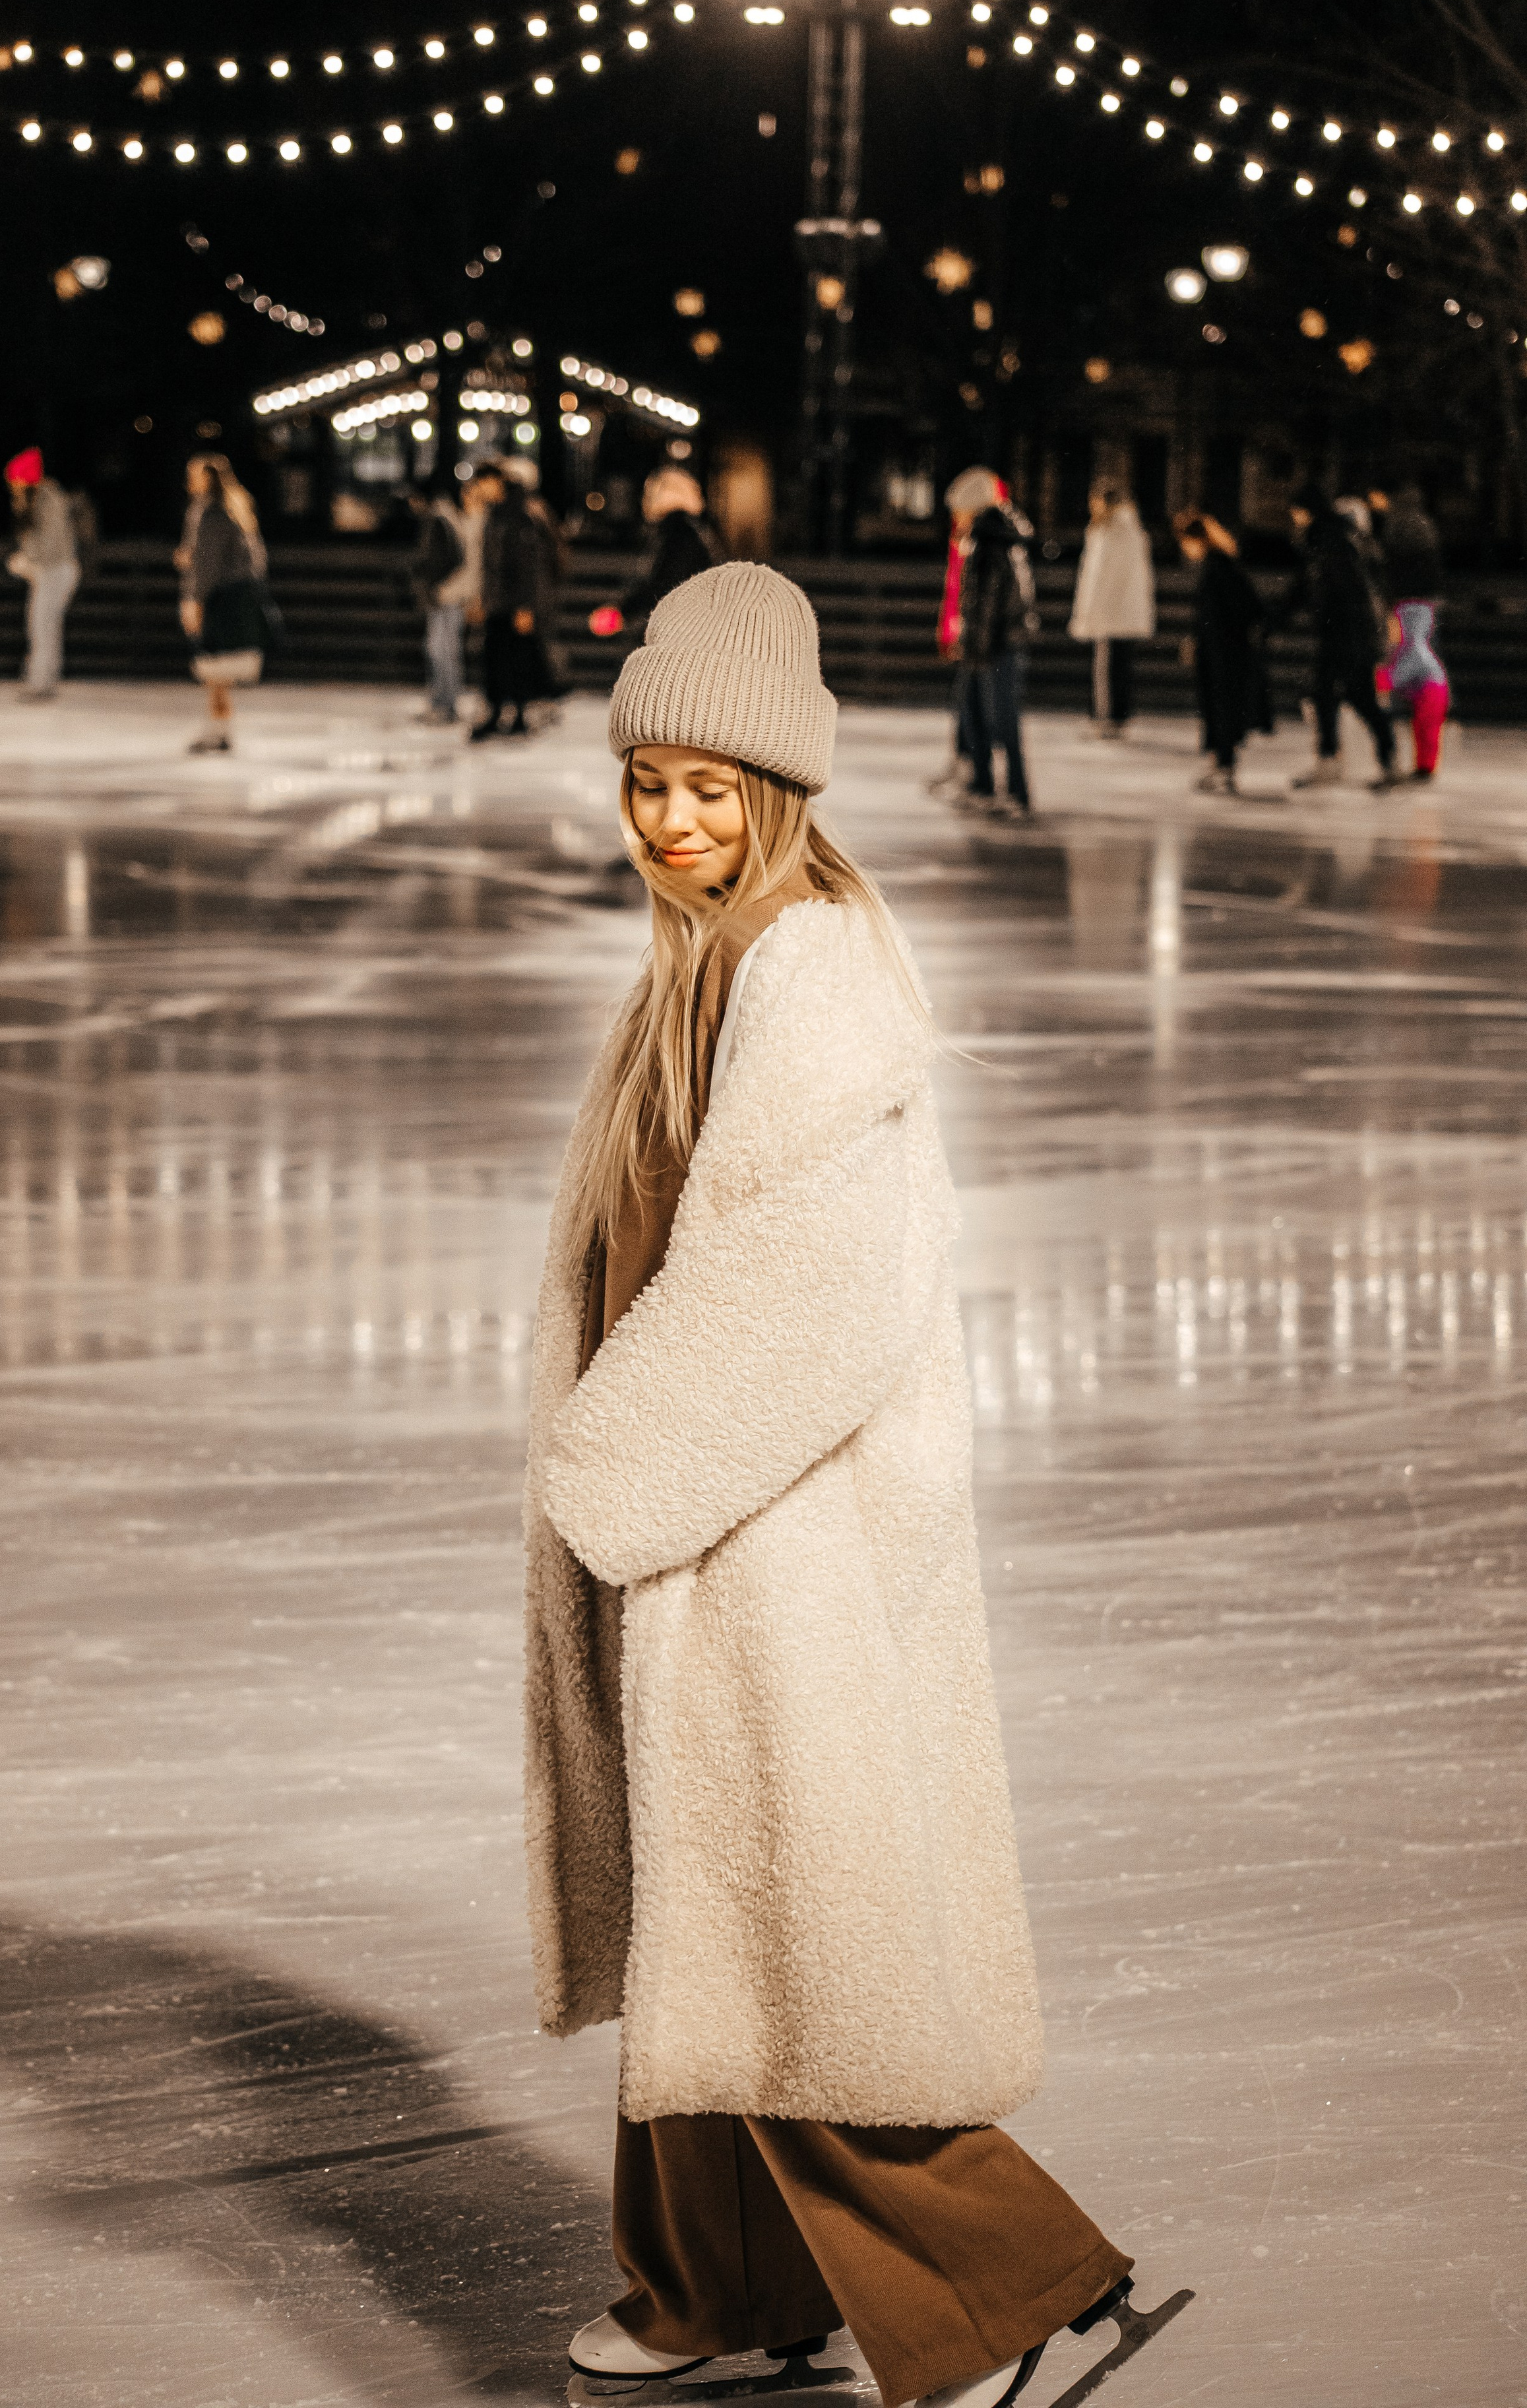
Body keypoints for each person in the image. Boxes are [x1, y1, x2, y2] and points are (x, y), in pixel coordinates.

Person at [524, 559, 1139, 2408]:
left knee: (796, 1950)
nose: (674, 822)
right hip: (702, 1506)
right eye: (649, 783)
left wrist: (610, 1464)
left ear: (780, 795)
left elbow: (816, 1293)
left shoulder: (810, 972)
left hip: (767, 1514)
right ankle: (715, 2289)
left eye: (713, 790)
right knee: (705, 1931)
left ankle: (1022, 2287)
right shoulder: (704, 959)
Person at [934, 466, 1038, 815]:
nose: (956, 519)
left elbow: (995, 604)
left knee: (1004, 721)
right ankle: (982, 784)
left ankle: (1017, 793)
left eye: (960, 511)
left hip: (998, 646)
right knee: (973, 713)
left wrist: (978, 642)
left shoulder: (996, 545)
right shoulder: (982, 542)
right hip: (983, 644)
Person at [1282, 484, 1395, 788]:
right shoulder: (1337, 539)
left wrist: (1282, 617)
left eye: (1296, 513)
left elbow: (1334, 589)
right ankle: (1380, 759)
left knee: (1332, 694)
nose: (1294, 520)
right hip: (1352, 632)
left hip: (1347, 634)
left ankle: (1336, 760)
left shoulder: (1331, 541)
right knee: (1352, 697)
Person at [177, 454, 270, 756]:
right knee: (218, 674)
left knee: (216, 671)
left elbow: (208, 564)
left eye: (194, 475)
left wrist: (194, 600)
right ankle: (219, 729)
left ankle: (217, 732)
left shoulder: (212, 513)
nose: (189, 481)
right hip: (235, 595)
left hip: (221, 598)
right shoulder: (234, 509)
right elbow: (255, 559)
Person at [1176, 511, 1266, 796]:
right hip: (1225, 649)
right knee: (1220, 708)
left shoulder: (1216, 568)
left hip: (1221, 652)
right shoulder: (1223, 565)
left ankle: (1223, 768)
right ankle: (1220, 766)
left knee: (1220, 708)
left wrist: (1201, 641)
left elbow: (1214, 615)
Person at [590, 466, 724, 640]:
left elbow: (665, 584)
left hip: (680, 631)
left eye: (650, 493)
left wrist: (624, 612)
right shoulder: (694, 533)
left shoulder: (678, 535)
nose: (644, 500)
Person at [1068, 483, 1154, 735]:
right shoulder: (1133, 529)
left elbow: (1098, 576)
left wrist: (1088, 613)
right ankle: (1117, 717)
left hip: (1110, 611)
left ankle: (1107, 718)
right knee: (1120, 667)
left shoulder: (1109, 531)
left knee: (1108, 667)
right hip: (1125, 611)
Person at [471, 467, 548, 741]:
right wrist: (483, 598)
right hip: (497, 603)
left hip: (514, 605)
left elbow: (527, 566)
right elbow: (489, 564)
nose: (480, 489)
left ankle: (518, 715)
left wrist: (526, 607)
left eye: (483, 482)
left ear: (496, 482)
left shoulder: (518, 516)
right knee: (494, 660)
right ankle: (495, 713)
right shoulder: (496, 514)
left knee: (516, 660)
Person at [4, 448, 80, 701]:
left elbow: (52, 545)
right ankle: (43, 680)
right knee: (45, 626)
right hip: (53, 570)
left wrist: (27, 562)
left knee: (42, 626)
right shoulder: (41, 499)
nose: (12, 486)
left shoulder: (47, 501)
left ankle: (41, 683)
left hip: (56, 570)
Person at [503, 453, 569, 722]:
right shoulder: (539, 511)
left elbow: (535, 562)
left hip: (535, 595)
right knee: (537, 647)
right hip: (542, 593)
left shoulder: (528, 514)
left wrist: (528, 602)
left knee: (536, 649)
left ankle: (546, 697)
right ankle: (542, 699)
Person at [414, 482, 476, 724]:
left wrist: (436, 584)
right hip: (449, 593)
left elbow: (453, 558)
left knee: (442, 651)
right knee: (440, 649)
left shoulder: (440, 518)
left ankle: (446, 703)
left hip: (448, 595)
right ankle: (443, 701)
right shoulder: (452, 517)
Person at [1374, 600, 1450, 786]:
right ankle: (1424, 767)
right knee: (1421, 729)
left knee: (1427, 730)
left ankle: (1426, 769)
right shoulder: (1405, 649)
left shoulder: (1415, 650)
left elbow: (1397, 676)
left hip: (1432, 692)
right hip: (1427, 693)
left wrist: (1378, 680)